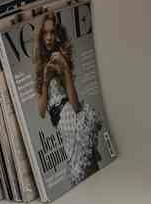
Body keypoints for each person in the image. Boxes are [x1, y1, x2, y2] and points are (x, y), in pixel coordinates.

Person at [33, 10, 102, 185]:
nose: (48, 37)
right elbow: (41, 112)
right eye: (45, 33)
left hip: (71, 117)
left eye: (52, 32)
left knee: (86, 167)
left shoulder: (61, 59)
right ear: (41, 36)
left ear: (57, 35)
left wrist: (64, 70)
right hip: (62, 126)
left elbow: (75, 105)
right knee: (81, 169)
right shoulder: (41, 67)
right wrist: (45, 82)